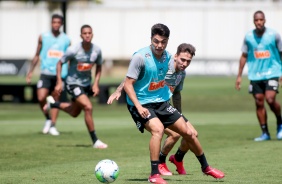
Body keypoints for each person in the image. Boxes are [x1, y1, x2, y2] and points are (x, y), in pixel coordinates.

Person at [122, 23, 224, 183]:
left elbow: (174, 81)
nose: (159, 45)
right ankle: (154, 174)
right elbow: (128, 83)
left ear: (168, 41)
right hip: (141, 103)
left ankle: (206, 168)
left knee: (190, 133)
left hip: (161, 102)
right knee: (158, 130)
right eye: (156, 41)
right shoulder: (140, 57)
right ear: (151, 39)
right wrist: (138, 106)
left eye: (163, 42)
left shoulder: (169, 58)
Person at [107, 43, 199, 176]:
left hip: (165, 107)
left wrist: (179, 114)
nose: (184, 63)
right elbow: (130, 78)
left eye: (188, 61)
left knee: (192, 134)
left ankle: (177, 159)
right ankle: (160, 163)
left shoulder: (181, 74)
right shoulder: (164, 66)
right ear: (176, 56)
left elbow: (177, 94)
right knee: (174, 134)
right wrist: (118, 90)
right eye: (182, 60)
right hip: (149, 107)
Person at [43, 24, 107, 149]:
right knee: (88, 107)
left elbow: (99, 66)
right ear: (81, 35)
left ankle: (53, 104)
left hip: (86, 84)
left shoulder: (97, 50)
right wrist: (59, 82)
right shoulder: (74, 50)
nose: (87, 35)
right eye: (84, 33)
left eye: (89, 33)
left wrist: (96, 83)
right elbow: (60, 63)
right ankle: (95, 141)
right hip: (73, 84)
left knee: (74, 112)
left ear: (92, 34)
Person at [235, 10, 282, 141]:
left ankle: (280, 124)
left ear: (265, 20)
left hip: (272, 72)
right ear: (254, 21)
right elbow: (244, 55)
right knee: (259, 102)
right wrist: (239, 76)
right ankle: (265, 132)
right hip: (255, 75)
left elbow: (281, 52)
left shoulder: (274, 35)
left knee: (270, 99)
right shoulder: (249, 36)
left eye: (261, 20)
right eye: (256, 20)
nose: (259, 22)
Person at [26, 14, 71, 136]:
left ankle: (52, 125)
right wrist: (30, 72)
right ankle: (48, 118)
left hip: (60, 75)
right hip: (46, 72)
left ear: (61, 24)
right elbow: (37, 55)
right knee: (41, 97)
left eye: (58, 22)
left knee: (56, 99)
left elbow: (69, 58)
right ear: (51, 23)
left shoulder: (66, 39)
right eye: (54, 22)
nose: (56, 24)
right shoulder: (43, 37)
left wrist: (70, 74)